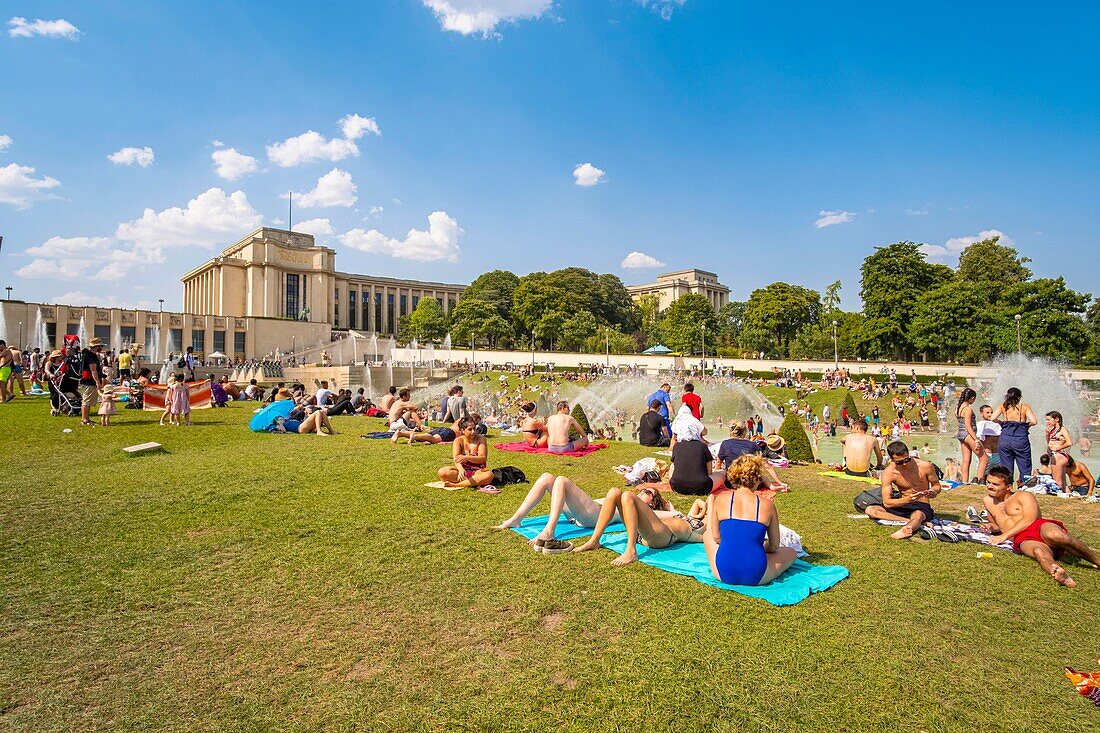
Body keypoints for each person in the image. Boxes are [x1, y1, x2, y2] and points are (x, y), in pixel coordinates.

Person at [982, 465, 1100, 587]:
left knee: (1057, 535)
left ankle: (1097, 560)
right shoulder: (987, 501)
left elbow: (1030, 519)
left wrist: (1004, 536)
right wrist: (991, 527)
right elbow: (996, 524)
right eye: (988, 482)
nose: (989, 486)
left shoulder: (1023, 495)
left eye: (995, 484)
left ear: (1008, 487)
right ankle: (1057, 572)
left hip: (1038, 527)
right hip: (1023, 538)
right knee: (1039, 552)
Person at [703, 455, 797, 586]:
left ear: (733, 476)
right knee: (791, 552)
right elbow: (774, 546)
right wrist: (761, 547)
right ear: (757, 479)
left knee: (707, 535)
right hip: (757, 575)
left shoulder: (721, 499)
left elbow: (717, 538)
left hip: (723, 572)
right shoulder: (767, 505)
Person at [573, 486, 706, 566]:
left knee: (627, 495)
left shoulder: (700, 526)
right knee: (614, 491)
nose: (643, 492)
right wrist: (702, 508)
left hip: (664, 536)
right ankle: (594, 540)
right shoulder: (636, 508)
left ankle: (631, 551)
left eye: (648, 493)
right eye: (643, 490)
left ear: (653, 503)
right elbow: (698, 503)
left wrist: (704, 513)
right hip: (641, 534)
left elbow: (706, 534)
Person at [492, 473, 619, 553]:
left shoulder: (632, 500)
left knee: (562, 480)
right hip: (583, 512)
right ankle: (516, 519)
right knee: (547, 477)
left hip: (596, 516)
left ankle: (549, 531)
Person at [866, 441, 941, 539]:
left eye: (907, 460)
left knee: (918, 515)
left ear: (909, 454)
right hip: (902, 503)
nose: (905, 464)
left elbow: (937, 485)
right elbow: (887, 503)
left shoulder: (925, 466)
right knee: (870, 510)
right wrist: (907, 499)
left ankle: (908, 528)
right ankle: (908, 521)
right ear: (891, 459)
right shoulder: (889, 472)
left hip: (921, 505)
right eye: (900, 462)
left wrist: (933, 491)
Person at [993, 387, 1037, 484]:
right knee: (1024, 464)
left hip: (1005, 437)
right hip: (1020, 437)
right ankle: (1023, 485)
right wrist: (1027, 425)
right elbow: (1034, 421)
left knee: (1006, 466)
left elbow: (993, 418)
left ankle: (1007, 486)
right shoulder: (1024, 407)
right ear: (1019, 397)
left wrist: (1002, 422)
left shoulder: (1003, 406)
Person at [438, 417, 494, 489]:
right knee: (442, 472)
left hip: (478, 470)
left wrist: (466, 457)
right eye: (470, 429)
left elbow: (482, 459)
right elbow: (456, 458)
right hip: (463, 470)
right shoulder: (458, 440)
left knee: (489, 475)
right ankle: (471, 482)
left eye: (474, 428)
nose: (473, 432)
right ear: (463, 430)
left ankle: (456, 485)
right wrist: (460, 469)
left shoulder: (481, 439)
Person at [955, 388, 984, 484]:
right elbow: (968, 425)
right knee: (984, 458)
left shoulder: (958, 408)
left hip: (961, 434)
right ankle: (980, 481)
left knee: (966, 460)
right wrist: (976, 439)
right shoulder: (967, 409)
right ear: (972, 398)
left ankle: (964, 482)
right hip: (968, 435)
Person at [76, 338, 106, 426]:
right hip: (88, 381)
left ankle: (86, 418)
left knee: (87, 400)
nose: (101, 348)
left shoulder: (87, 354)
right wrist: (97, 382)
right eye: (100, 346)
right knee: (87, 400)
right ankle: (85, 419)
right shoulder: (91, 356)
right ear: (96, 346)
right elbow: (93, 370)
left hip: (86, 380)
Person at [1045, 411, 1074, 492]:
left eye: (1049, 420)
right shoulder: (1053, 430)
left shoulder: (1062, 429)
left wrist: (1058, 448)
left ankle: (1058, 495)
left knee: (1057, 480)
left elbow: (1069, 442)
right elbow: (1049, 442)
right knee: (1063, 482)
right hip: (1054, 455)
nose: (1047, 422)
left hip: (1059, 455)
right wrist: (1047, 434)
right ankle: (1068, 495)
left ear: (1056, 419)